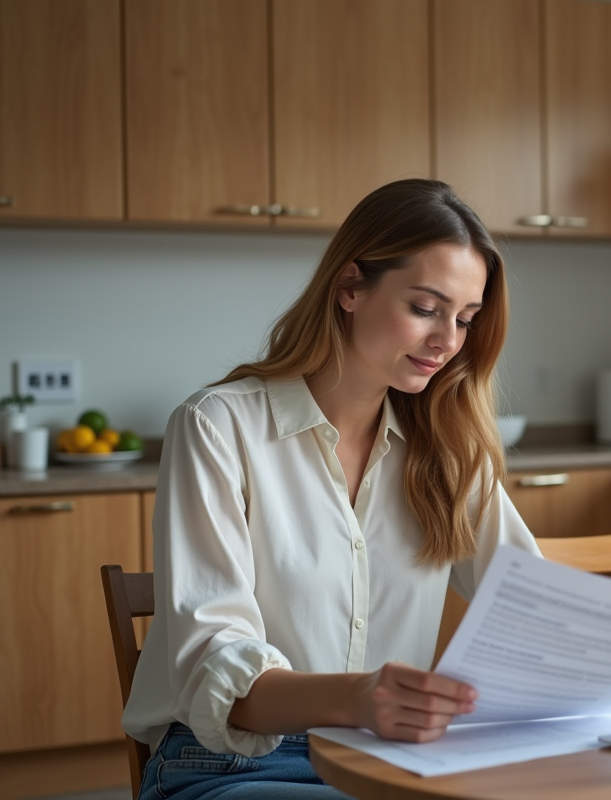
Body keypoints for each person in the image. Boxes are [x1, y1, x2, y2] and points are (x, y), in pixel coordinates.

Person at [123, 179, 542, 799]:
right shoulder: (218, 426)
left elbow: (536, 607)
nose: (448, 341)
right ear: (349, 287)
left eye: (465, 319)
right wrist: (360, 697)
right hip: (234, 765)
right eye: (426, 308)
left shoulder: (448, 451)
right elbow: (216, 664)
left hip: (392, 763)